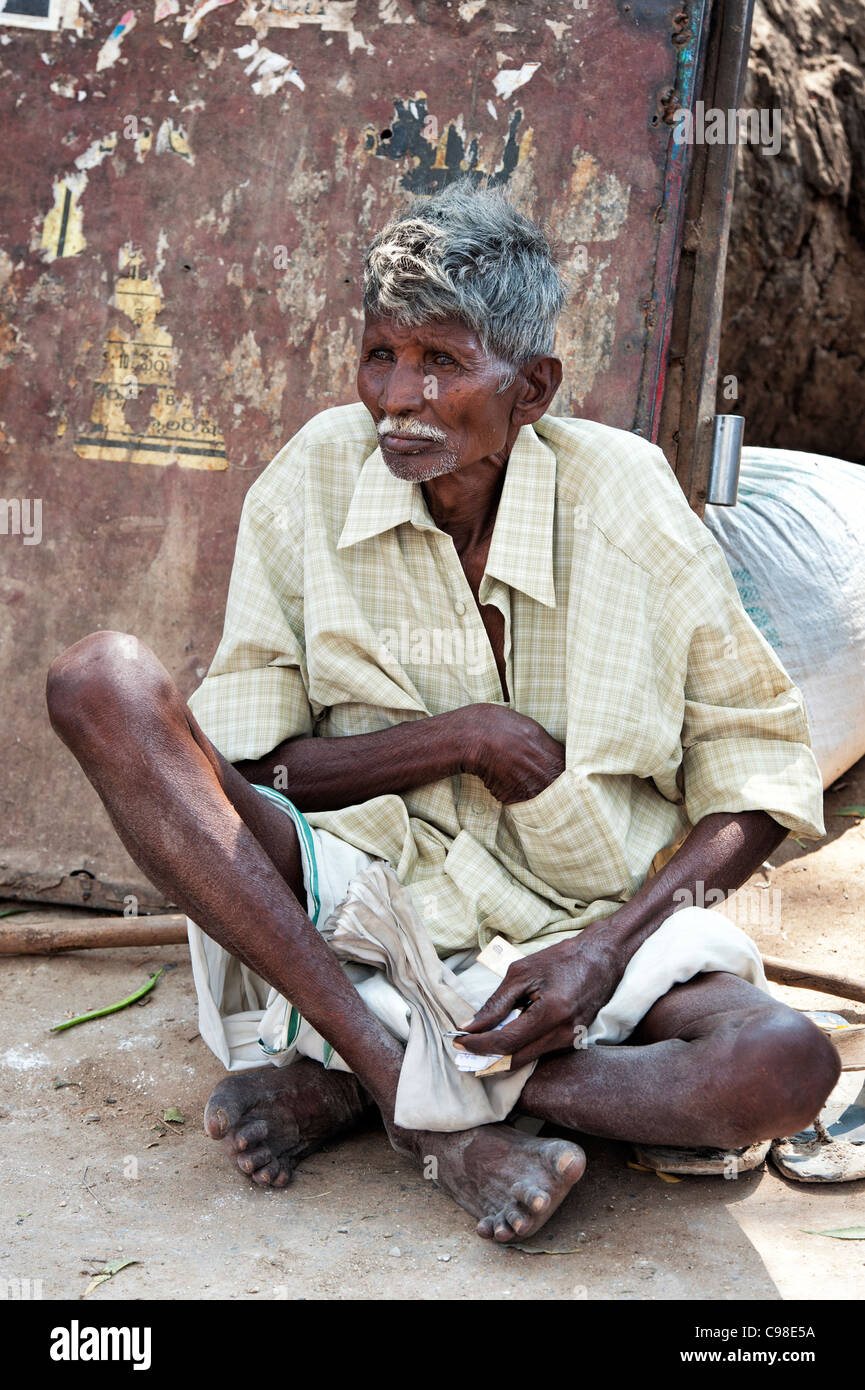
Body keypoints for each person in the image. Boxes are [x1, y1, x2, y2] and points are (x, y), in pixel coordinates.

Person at [46, 179, 839, 1244]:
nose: (398, 398)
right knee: (101, 680)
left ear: (534, 388)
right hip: (359, 896)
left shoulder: (627, 496)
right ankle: (418, 1106)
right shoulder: (311, 480)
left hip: (571, 921)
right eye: (382, 354)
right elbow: (258, 774)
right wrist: (456, 738)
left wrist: (606, 948)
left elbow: (754, 775)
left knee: (784, 1065)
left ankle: (366, 1090)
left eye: (443, 363)